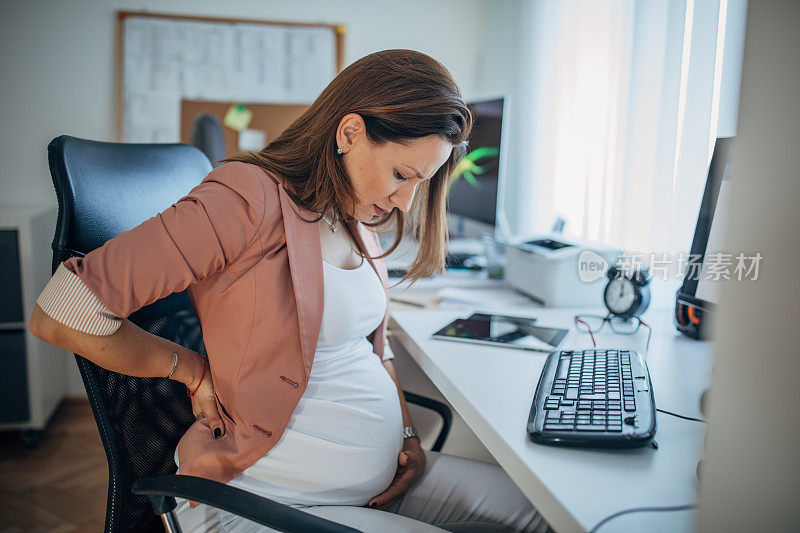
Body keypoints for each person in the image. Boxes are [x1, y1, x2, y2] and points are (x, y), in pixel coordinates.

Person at [29, 49, 551, 532]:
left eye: (421, 182)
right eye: (401, 174)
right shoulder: (245, 198)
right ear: (350, 132)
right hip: (267, 501)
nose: (405, 202)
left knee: (541, 513)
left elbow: (373, 346)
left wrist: (408, 434)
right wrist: (188, 367)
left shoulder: (351, 210)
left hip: (375, 481)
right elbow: (61, 311)